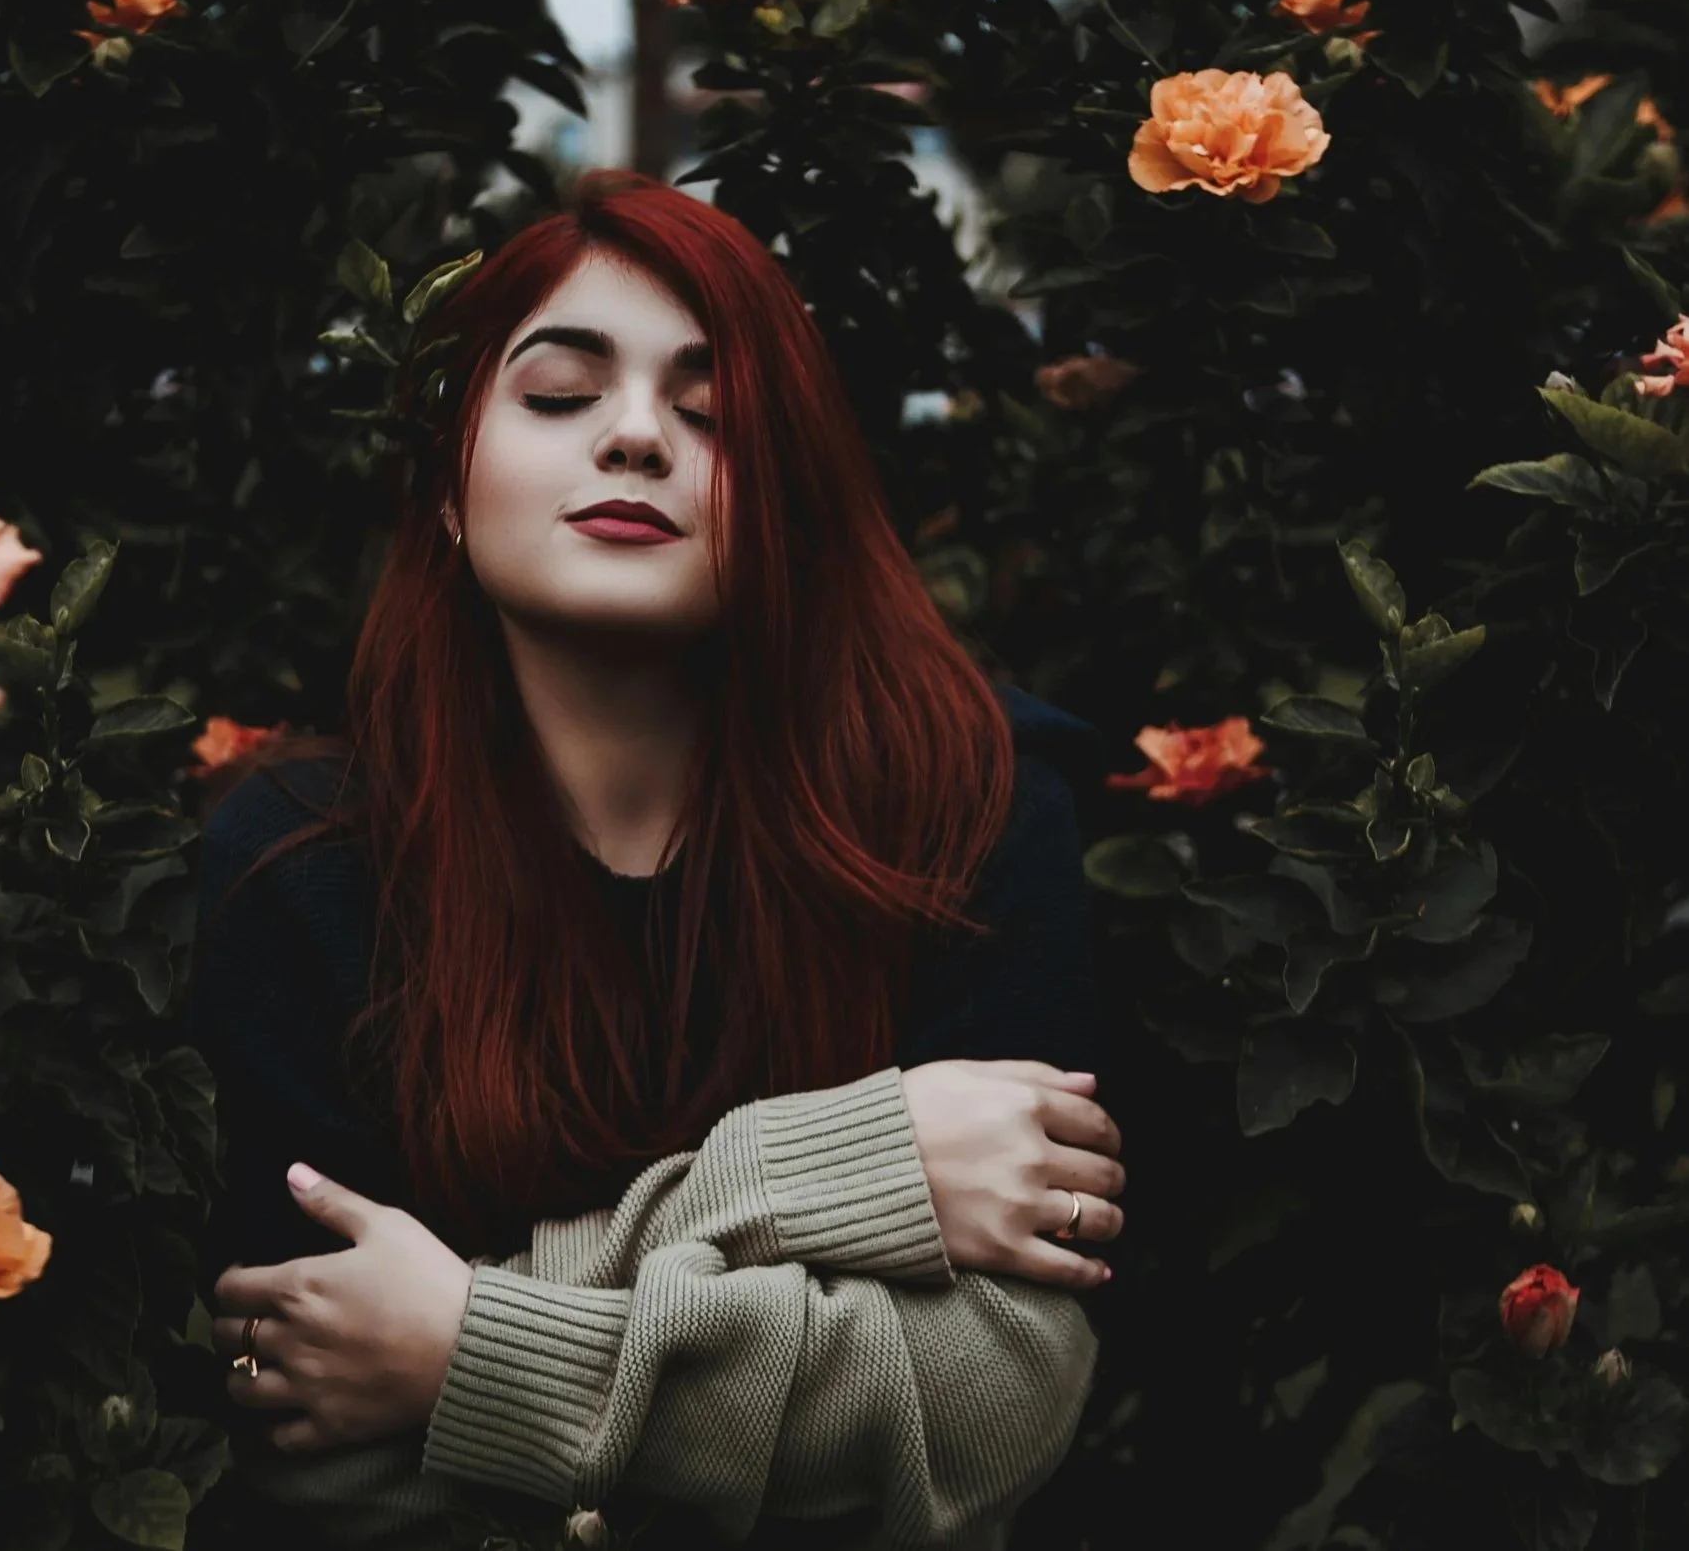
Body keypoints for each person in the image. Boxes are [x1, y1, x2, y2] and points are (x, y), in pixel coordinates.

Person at [186, 170, 1126, 1550]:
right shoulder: (301, 864)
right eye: (560, 394)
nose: (634, 435)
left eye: (712, 413)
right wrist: (840, 1166)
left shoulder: (963, 819)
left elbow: (997, 1403)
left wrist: (461, 1347)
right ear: (446, 490)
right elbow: (312, 1434)